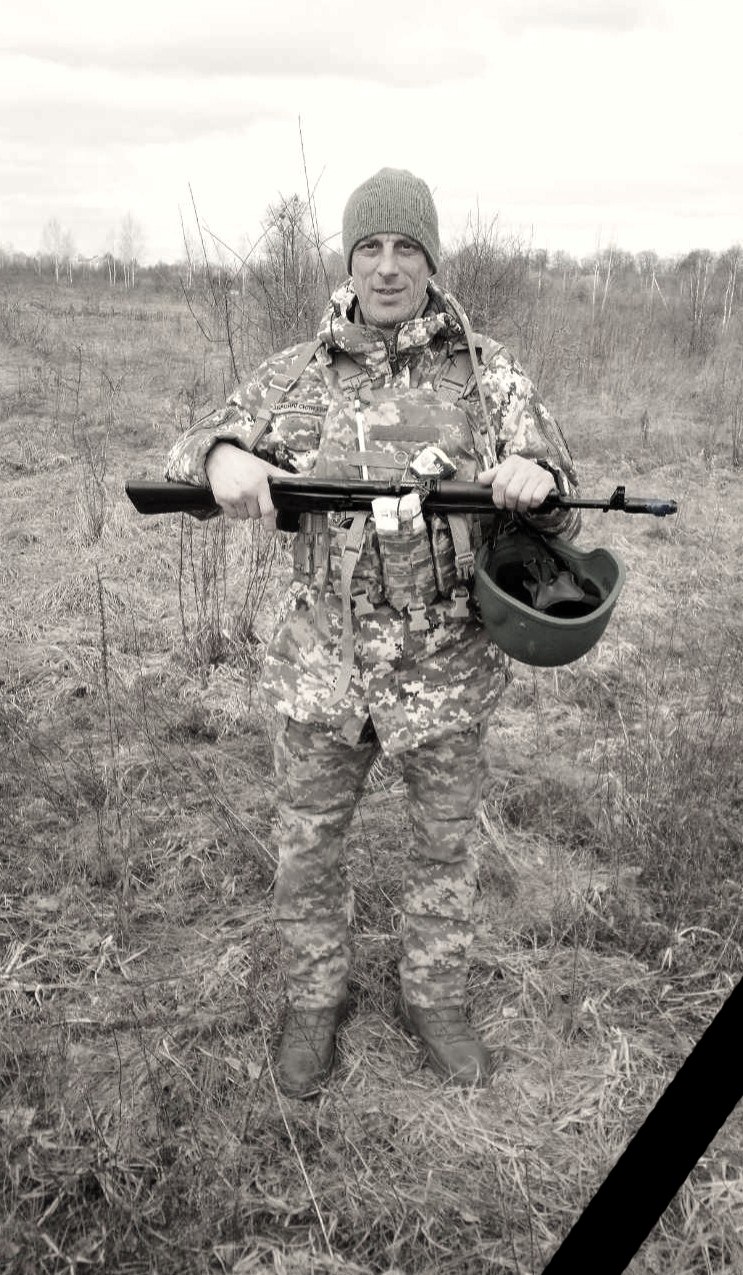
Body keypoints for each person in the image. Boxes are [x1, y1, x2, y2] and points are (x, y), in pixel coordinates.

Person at [165, 168, 580, 1098]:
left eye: (405, 248)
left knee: (445, 847)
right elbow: (189, 445)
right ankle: (315, 1002)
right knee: (308, 845)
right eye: (370, 248)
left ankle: (436, 1000)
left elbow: (562, 492)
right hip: (324, 665)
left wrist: (535, 481)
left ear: (431, 260)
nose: (387, 267)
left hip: (445, 664)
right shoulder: (296, 374)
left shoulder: (488, 375)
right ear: (348, 260)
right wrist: (224, 456)